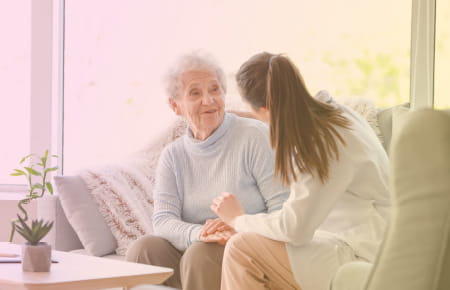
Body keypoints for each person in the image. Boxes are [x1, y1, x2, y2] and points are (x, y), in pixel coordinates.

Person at [211, 52, 390, 290]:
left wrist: (238, 219)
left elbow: (294, 229)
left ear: (264, 109)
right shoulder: (338, 115)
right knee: (256, 248)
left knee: (242, 249)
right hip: (368, 241)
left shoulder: (317, 144)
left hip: (363, 255)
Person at [125, 51, 289, 290]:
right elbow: (163, 220)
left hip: (248, 250)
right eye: (195, 93)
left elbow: (283, 208)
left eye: (214, 90)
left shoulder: (254, 137)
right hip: (199, 248)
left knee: (200, 255)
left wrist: (240, 226)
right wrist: (201, 233)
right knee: (143, 250)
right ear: (175, 105)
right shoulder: (173, 155)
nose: (209, 100)